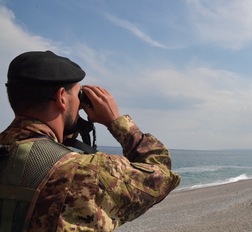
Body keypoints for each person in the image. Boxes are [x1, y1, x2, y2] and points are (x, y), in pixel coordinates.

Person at [0, 51, 180, 231]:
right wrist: (115, 121)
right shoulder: (85, 173)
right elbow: (161, 173)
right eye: (78, 95)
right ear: (61, 97)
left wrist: (68, 129)